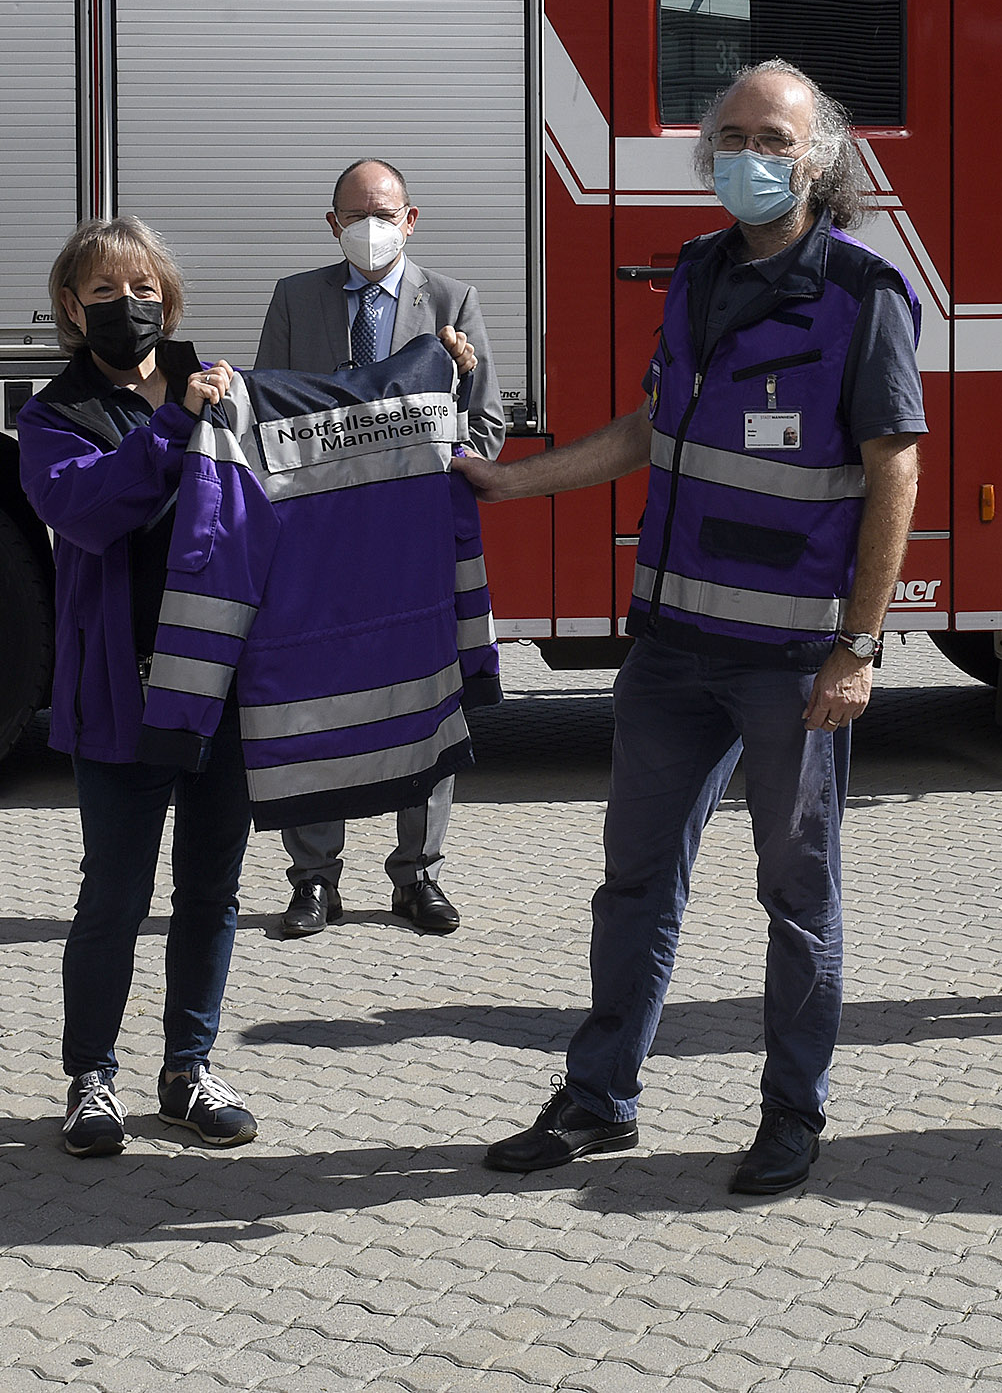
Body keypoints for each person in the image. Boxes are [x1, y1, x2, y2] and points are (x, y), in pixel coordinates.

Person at [461, 59, 923, 1198]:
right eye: (732, 136)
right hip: (669, 648)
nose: (747, 157)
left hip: (791, 662)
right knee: (632, 885)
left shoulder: (863, 295)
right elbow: (652, 429)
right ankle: (598, 1099)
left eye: (773, 139)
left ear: (817, 161)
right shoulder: (699, 272)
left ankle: (793, 1114)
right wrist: (515, 483)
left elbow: (895, 472)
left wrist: (858, 648)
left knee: (797, 898)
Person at [16, 216, 263, 1158]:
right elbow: (89, 510)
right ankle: (91, 1078)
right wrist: (171, 423)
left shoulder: (228, 390)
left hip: (222, 684)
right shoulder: (52, 417)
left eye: (145, 289)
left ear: (171, 297)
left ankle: (187, 1071)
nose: (130, 306)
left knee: (211, 890)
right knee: (114, 894)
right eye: (106, 292)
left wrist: (438, 383)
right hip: (123, 690)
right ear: (70, 307)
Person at [251, 157, 495, 940]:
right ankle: (313, 880)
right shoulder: (295, 299)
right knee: (313, 702)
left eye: (383, 214)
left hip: (410, 549)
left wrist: (455, 395)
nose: (370, 227)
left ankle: (417, 876)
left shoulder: (452, 302)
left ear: (410, 219)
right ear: (332, 224)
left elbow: (487, 433)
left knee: (424, 702)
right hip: (318, 549)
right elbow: (270, 421)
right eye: (355, 215)